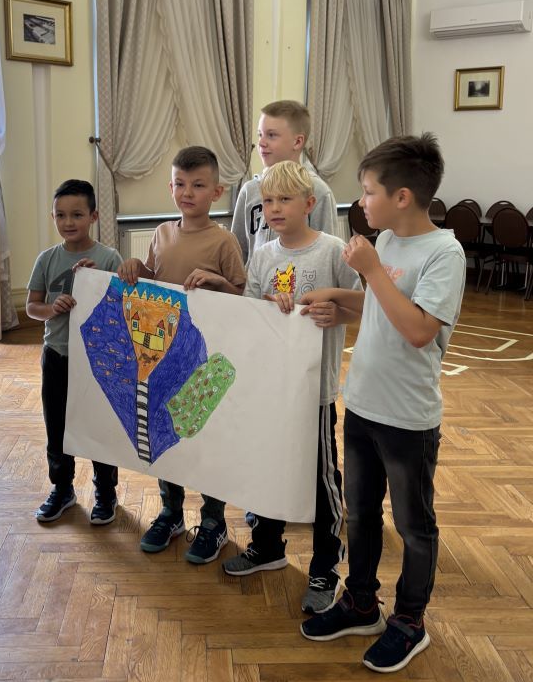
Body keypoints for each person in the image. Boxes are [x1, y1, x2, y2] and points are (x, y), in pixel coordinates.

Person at [300, 133, 466, 674]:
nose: (361, 201)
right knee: (362, 514)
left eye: (368, 191)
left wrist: (370, 269)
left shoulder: (444, 253)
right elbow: (379, 305)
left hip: (408, 419)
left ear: (402, 197)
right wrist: (336, 299)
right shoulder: (388, 240)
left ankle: (410, 622)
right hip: (363, 406)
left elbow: (418, 330)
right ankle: (361, 604)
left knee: (414, 526)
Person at [222, 161, 362, 617]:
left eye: (285, 199)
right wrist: (268, 306)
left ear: (309, 203)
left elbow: (361, 305)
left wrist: (335, 312)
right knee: (269, 469)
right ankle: (267, 545)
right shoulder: (263, 255)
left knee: (322, 482)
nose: (275, 209)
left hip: (313, 392)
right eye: (268, 201)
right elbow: (250, 313)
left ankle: (325, 566)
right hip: (271, 388)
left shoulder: (332, 251)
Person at [117, 146, 246, 564]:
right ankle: (170, 512)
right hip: (163, 358)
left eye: (198, 185)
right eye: (180, 184)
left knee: (207, 439)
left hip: (203, 358)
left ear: (217, 192)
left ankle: (213, 521)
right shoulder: (161, 233)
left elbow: (242, 295)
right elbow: (153, 280)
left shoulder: (224, 241)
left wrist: (216, 281)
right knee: (163, 434)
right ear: (170, 187)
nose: (187, 192)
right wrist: (136, 267)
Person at [27, 179, 122, 524]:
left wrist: (97, 285)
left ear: (93, 216)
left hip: (98, 359)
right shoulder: (47, 259)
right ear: (52, 217)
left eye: (77, 214)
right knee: (57, 427)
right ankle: (62, 488)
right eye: (61, 215)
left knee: (98, 427)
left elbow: (121, 307)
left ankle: (106, 493)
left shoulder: (108, 258)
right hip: (57, 355)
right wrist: (52, 308)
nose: (68, 222)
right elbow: (32, 307)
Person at [231, 100, 338, 266]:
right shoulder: (249, 190)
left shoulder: (317, 190)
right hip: (254, 282)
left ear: (297, 142)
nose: (261, 143)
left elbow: (328, 255)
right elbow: (238, 251)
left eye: (271, 135)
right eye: (260, 134)